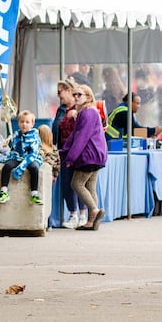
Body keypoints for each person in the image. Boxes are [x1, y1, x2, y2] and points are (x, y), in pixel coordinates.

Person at [60, 83, 107, 230]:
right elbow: (75, 135)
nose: (76, 97)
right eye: (74, 94)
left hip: (89, 155)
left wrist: (70, 158)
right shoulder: (87, 111)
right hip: (97, 155)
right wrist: (64, 150)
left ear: (88, 96)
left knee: (76, 184)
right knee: (90, 187)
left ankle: (94, 210)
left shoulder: (88, 112)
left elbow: (81, 137)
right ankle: (91, 222)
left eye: (79, 95)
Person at [0, 109, 45, 205]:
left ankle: (34, 193)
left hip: (30, 157)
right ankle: (3, 191)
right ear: (18, 123)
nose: (24, 124)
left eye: (27, 122)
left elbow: (34, 152)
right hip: (18, 157)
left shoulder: (34, 136)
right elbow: (14, 148)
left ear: (32, 124)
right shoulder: (17, 134)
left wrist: (22, 165)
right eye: (22, 122)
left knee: (34, 168)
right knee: (7, 166)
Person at [51, 80, 83, 228]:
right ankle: (73, 215)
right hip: (63, 151)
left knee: (79, 184)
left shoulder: (81, 109)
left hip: (78, 152)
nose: (58, 95)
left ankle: (83, 214)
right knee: (67, 183)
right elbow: (55, 129)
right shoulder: (61, 109)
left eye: (60, 92)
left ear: (69, 91)